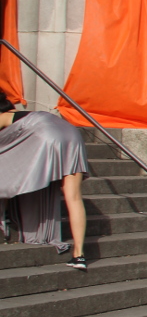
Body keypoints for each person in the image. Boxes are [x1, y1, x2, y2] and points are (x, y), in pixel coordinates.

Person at [0, 94, 90, 268]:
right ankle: (79, 255)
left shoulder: (3, 117)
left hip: (46, 135)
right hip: (73, 136)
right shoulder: (24, 115)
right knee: (74, 198)